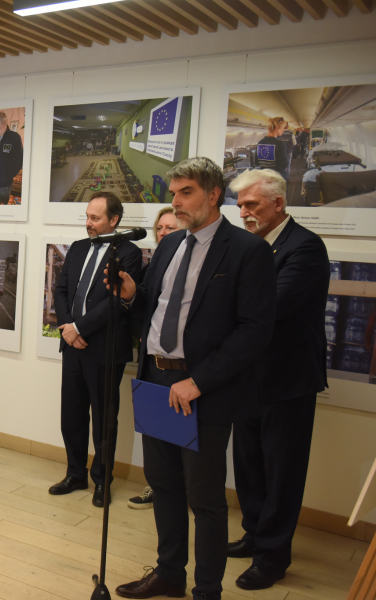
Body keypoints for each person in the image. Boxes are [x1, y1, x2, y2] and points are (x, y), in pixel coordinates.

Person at [110, 157, 276, 600]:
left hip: (201, 389)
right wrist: (132, 295)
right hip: (156, 381)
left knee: (204, 498)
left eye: (186, 193)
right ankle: (169, 574)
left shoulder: (247, 250)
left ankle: (207, 590)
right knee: (163, 485)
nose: (177, 202)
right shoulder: (169, 246)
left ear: (213, 194)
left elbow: (255, 330)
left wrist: (199, 381)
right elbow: (154, 305)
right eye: (174, 193)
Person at [229, 169, 330, 591]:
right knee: (249, 465)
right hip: (248, 376)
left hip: (288, 380)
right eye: (240, 205)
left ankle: (272, 558)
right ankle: (254, 534)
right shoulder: (249, 247)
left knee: (282, 472)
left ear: (278, 203)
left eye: (251, 204)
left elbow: (272, 306)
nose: (244, 213)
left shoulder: (305, 247)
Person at [50, 192, 142, 508]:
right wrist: (68, 328)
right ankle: (75, 474)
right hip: (73, 346)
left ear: (113, 220)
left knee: (104, 420)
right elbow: (61, 290)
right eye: (87, 216)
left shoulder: (129, 253)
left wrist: (80, 328)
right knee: (71, 415)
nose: (88, 223)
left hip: (104, 348)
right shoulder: (78, 248)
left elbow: (117, 302)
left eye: (95, 218)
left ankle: (102, 481)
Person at [127, 205, 180, 511]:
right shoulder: (153, 266)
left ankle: (180, 494)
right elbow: (142, 306)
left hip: (181, 370)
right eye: (160, 228)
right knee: (154, 436)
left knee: (179, 437)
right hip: (151, 363)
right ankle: (156, 488)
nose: (163, 233)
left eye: (170, 228)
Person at [257, 117, 290, 182]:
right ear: (278, 127)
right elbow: (284, 164)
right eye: (283, 128)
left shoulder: (260, 143)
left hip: (264, 177)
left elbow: (257, 162)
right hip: (277, 177)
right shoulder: (280, 144)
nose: (283, 130)